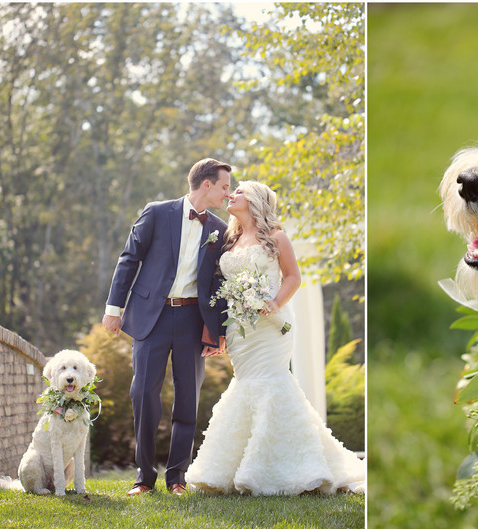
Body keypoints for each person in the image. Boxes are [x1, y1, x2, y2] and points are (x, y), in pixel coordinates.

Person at [185, 181, 365, 495]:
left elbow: (294, 276)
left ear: (255, 201)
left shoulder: (276, 237)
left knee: (272, 383)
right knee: (246, 385)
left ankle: (287, 468)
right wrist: (220, 330)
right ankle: (231, 467)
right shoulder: (230, 239)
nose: (232, 194)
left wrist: (274, 303)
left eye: (239, 192)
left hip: (272, 327)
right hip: (240, 328)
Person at [102, 158, 231, 496]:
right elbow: (129, 258)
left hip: (192, 320)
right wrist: (114, 308)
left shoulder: (219, 228)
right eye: (224, 186)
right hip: (151, 316)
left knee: (188, 397)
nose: (227, 194)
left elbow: (221, 284)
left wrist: (218, 330)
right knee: (143, 393)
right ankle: (144, 477)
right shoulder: (157, 212)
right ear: (206, 184)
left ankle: (177, 477)